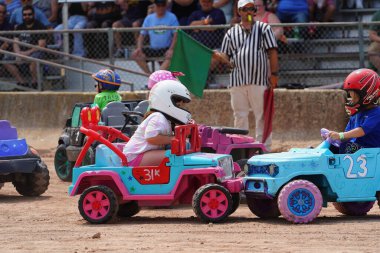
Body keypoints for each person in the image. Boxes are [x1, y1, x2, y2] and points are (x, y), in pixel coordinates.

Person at [214, 0, 278, 150]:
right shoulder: (231, 32)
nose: (249, 12)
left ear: (255, 11)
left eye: (251, 8)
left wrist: (274, 74)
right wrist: (217, 56)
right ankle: (241, 147)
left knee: (261, 115)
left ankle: (264, 148)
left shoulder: (264, 29)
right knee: (240, 115)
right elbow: (226, 56)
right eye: (245, 9)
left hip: (259, 79)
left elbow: (272, 52)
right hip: (237, 80)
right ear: (239, 12)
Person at [122, 79, 192, 166]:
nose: (182, 108)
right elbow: (151, 137)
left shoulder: (165, 119)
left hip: (142, 155)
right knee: (174, 155)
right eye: (179, 105)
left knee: (178, 151)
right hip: (134, 157)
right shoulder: (158, 117)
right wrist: (175, 138)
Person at [328, 69, 380, 152]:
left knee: (349, 148)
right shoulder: (356, 114)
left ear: (367, 95)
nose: (351, 100)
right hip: (357, 150)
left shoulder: (377, 113)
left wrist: (340, 135)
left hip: (371, 153)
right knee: (332, 146)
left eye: (354, 96)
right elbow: (347, 136)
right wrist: (332, 137)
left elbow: (361, 131)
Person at [3, 5, 46, 88]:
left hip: (34, 51)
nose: (27, 16)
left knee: (34, 60)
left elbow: (41, 45)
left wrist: (26, 53)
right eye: (25, 15)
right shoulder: (20, 27)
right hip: (21, 52)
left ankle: (35, 83)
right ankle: (22, 82)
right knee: (6, 60)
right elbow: (15, 42)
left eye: (29, 14)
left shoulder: (40, 26)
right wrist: (18, 54)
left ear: (33, 15)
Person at [132, 0, 179, 74]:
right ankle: (150, 76)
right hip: (153, 48)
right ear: (155, 6)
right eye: (158, 5)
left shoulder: (172, 17)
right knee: (135, 55)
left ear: (166, 6)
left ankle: (158, 76)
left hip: (166, 48)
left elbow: (176, 35)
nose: (160, 8)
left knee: (172, 55)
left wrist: (171, 49)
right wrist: (139, 48)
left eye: (162, 5)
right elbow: (142, 35)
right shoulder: (149, 18)